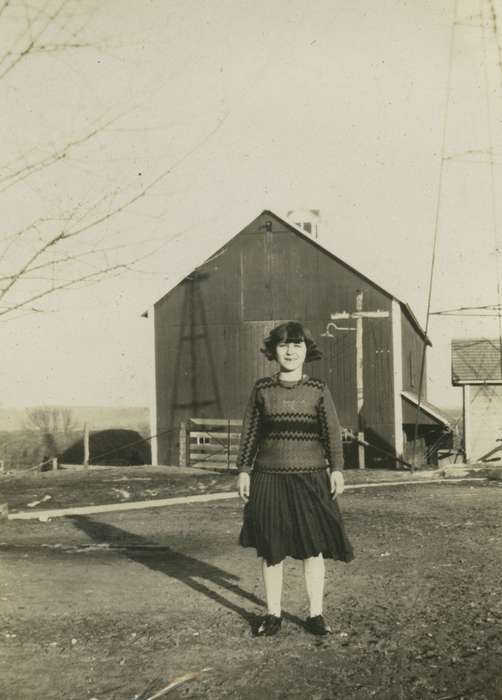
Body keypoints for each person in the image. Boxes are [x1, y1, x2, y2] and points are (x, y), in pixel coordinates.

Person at [236, 321, 354, 637]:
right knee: (272, 550)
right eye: (284, 345)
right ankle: (273, 615)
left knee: (312, 549)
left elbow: (331, 433)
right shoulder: (262, 389)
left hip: (311, 479)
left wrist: (337, 469)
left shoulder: (318, 390)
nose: (291, 351)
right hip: (269, 479)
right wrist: (244, 472)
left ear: (306, 351)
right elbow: (250, 433)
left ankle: (315, 615)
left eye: (297, 345)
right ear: (274, 351)